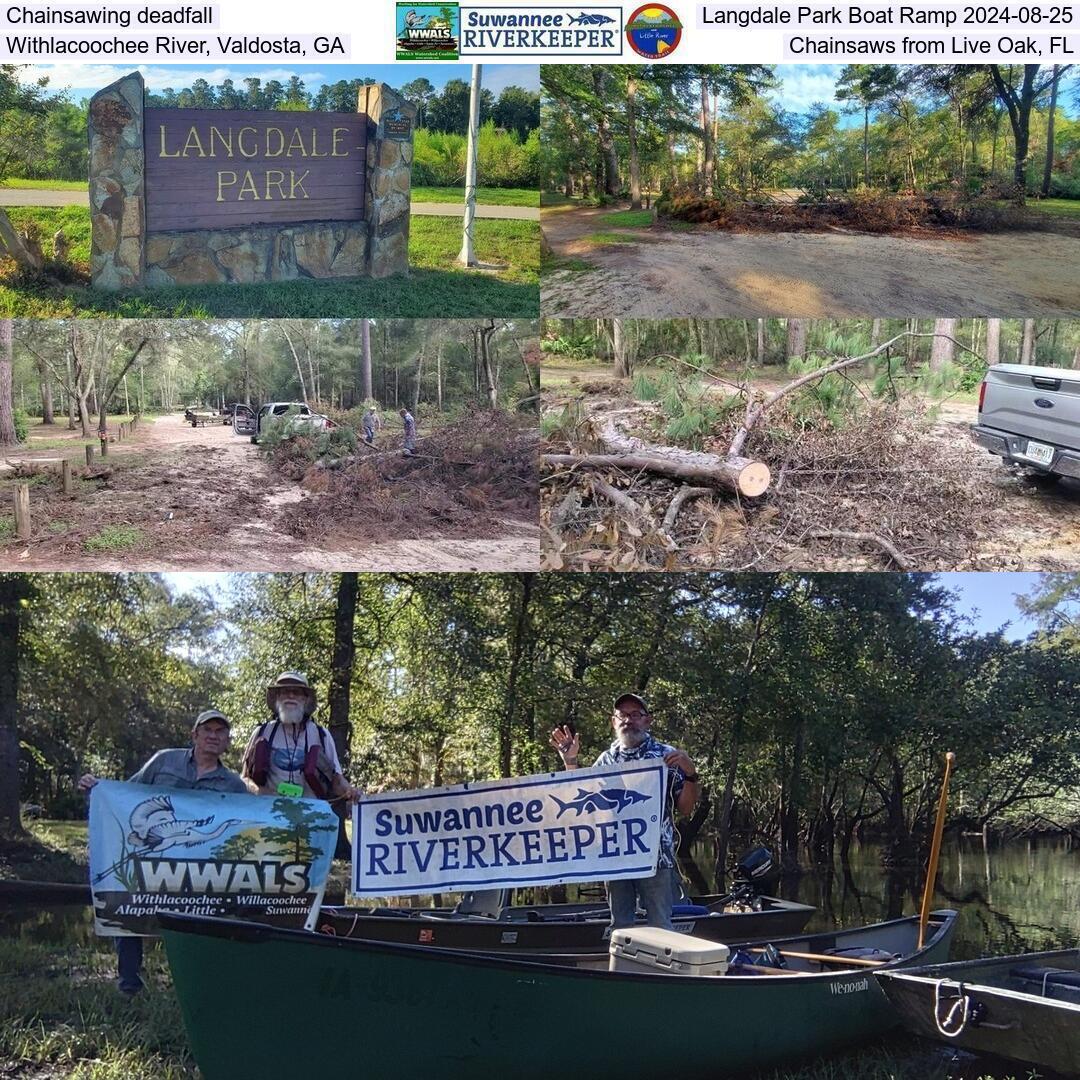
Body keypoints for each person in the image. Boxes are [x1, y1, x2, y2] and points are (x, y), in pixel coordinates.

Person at [78, 709, 247, 995]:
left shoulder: (233, 785)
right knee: (127, 907)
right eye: (208, 730)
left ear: (227, 741)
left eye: (220, 732)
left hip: (197, 870)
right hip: (150, 856)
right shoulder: (164, 760)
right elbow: (126, 794)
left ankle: (193, 986)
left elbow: (246, 822)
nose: (213, 736)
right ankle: (129, 984)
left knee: (203, 922)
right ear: (195, 734)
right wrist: (96, 788)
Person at [549, 693, 699, 931]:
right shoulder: (605, 760)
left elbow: (686, 808)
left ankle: (660, 968)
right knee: (620, 927)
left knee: (661, 926)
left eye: (636, 715)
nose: (628, 720)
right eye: (623, 715)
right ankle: (624, 965)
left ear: (647, 721)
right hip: (615, 857)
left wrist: (690, 773)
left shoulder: (667, 756)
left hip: (656, 857)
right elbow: (582, 802)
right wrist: (570, 761)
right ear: (613, 721)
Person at [241, 672, 360, 804]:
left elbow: (336, 780)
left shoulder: (321, 735)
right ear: (277, 697)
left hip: (311, 817)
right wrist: (259, 791)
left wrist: (349, 790)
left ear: (305, 699)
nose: (291, 696)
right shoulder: (262, 732)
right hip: (269, 815)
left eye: (297, 692)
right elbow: (244, 779)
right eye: (285, 691)